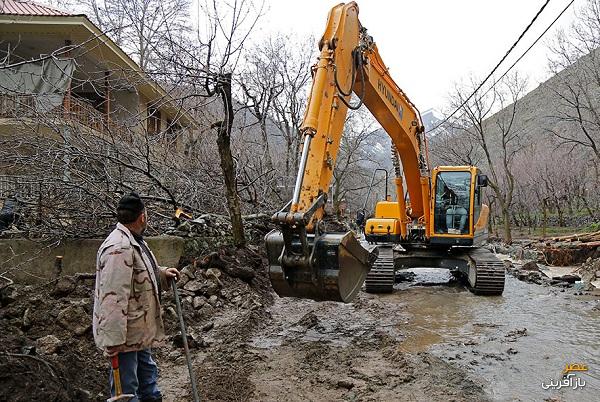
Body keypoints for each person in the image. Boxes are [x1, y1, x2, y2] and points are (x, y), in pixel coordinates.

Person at [93, 192, 179, 402]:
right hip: (124, 336)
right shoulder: (119, 248)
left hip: (137, 332)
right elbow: (112, 297)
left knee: (148, 379)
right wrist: (113, 341)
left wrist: (162, 273)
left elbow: (137, 271)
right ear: (142, 217)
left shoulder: (132, 241)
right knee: (127, 391)